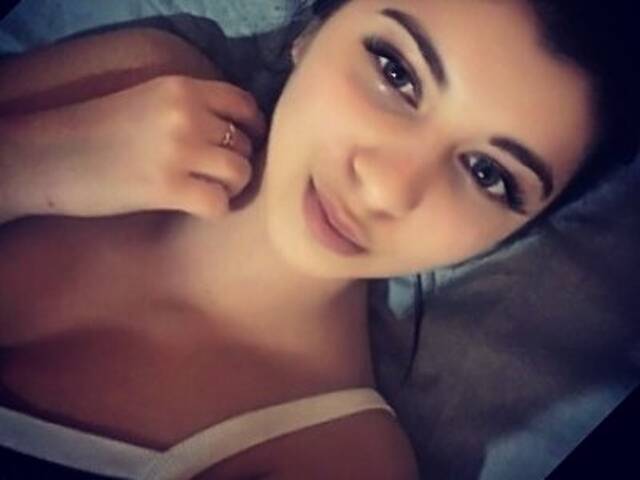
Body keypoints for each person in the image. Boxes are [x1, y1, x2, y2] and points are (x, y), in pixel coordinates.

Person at [0, 0, 638, 478]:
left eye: (487, 174)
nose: (385, 188)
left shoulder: (332, 462)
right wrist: (25, 163)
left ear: (517, 232)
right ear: (312, 32)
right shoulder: (140, 82)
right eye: (396, 71)